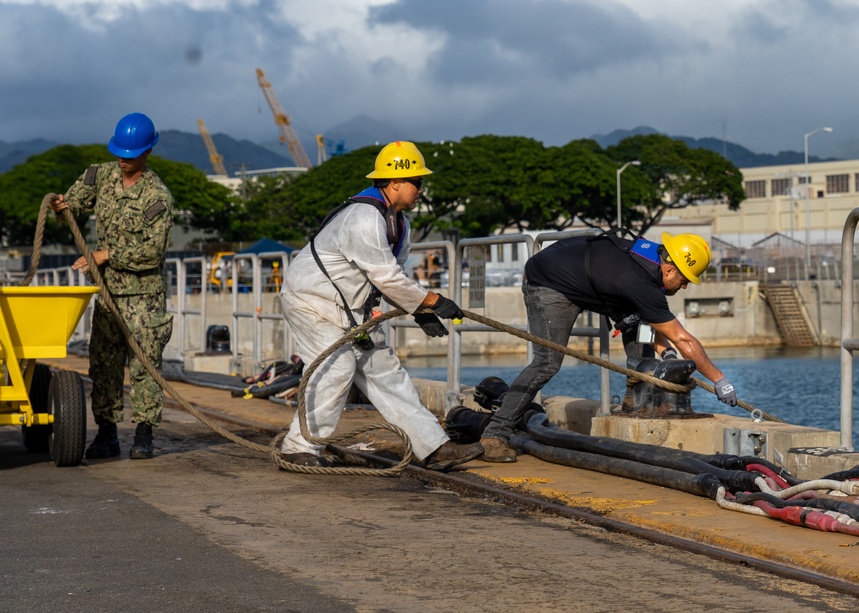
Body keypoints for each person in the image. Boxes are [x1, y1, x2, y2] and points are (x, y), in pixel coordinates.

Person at [278, 141, 483, 470]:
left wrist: (420, 310)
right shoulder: (363, 218)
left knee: (384, 370)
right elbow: (386, 278)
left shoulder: (399, 225)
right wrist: (431, 301)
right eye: (417, 182)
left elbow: (393, 277)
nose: (421, 189)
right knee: (337, 366)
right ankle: (297, 447)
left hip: (348, 308)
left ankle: (432, 448)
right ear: (396, 181)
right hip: (311, 300)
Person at [478, 231, 738, 463]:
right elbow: (684, 340)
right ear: (670, 269)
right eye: (685, 280)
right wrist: (719, 380)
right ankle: (495, 434)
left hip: (582, 274)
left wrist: (665, 352)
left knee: (635, 320)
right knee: (547, 362)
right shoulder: (641, 283)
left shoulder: (646, 258)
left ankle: (636, 402)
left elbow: (649, 320)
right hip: (548, 282)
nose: (684, 286)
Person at [50, 112, 174, 460]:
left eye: (130, 154)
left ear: (147, 153)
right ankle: (107, 434)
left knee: (144, 366)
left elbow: (152, 252)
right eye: (119, 151)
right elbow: (72, 206)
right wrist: (62, 207)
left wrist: (107, 254)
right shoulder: (99, 175)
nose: (122, 159)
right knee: (103, 366)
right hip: (107, 296)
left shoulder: (157, 197)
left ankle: (144, 433)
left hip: (144, 298)